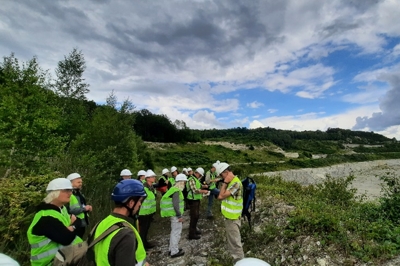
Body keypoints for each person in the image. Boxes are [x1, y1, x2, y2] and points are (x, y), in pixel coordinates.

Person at [27, 178, 82, 266]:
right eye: (66, 190)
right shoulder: (46, 217)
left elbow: (79, 221)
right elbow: (66, 238)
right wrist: (73, 227)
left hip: (62, 260)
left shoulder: (61, 209)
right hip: (47, 263)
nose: (70, 193)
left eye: (70, 190)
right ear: (54, 193)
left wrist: (71, 228)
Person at [93, 179, 149, 266]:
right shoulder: (126, 234)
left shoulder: (101, 223)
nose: (140, 205)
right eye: (139, 201)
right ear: (131, 203)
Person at [216, 162, 245, 263]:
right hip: (229, 217)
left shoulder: (235, 183)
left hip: (233, 218)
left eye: (221, 175)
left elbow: (220, 196)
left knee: (235, 244)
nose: (221, 177)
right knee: (233, 242)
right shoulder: (232, 182)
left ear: (226, 172)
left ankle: (240, 263)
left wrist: (225, 183)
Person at [160, 174, 187, 258]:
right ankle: (174, 252)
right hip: (175, 215)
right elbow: (175, 205)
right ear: (181, 182)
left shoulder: (173, 189)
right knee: (176, 233)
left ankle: (171, 249)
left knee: (173, 232)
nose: (185, 184)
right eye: (185, 182)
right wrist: (179, 216)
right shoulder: (176, 191)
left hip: (174, 215)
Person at [66, 172, 93, 238]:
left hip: (81, 224)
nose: (81, 184)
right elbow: (71, 210)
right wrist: (84, 209)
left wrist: (87, 208)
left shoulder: (79, 194)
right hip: (74, 224)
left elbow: (81, 206)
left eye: (81, 182)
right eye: (78, 182)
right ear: (71, 183)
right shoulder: (70, 195)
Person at [186, 167, 208, 240]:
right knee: (194, 216)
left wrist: (203, 186)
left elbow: (197, 185)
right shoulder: (191, 179)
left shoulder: (195, 179)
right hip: (192, 200)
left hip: (196, 199)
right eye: (200, 175)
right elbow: (195, 190)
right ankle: (191, 234)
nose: (201, 176)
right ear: (197, 173)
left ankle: (194, 230)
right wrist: (203, 191)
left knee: (196, 216)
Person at [138, 169, 157, 250]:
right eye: (153, 177)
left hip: (149, 212)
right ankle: (142, 247)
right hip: (143, 214)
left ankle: (145, 243)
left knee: (146, 230)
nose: (154, 178)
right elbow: (139, 201)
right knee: (142, 231)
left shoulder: (151, 187)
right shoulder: (144, 188)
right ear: (147, 178)